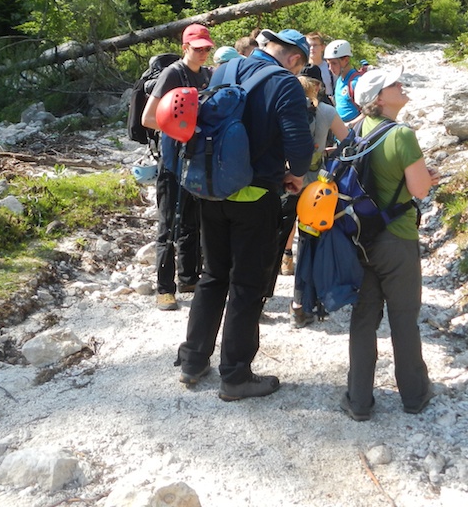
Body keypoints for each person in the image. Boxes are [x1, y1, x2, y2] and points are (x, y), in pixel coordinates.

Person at [176, 28, 314, 401]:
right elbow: (299, 144)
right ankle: (236, 376)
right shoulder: (285, 83)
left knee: (213, 275)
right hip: (254, 196)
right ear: (295, 59)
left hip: (212, 190)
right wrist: (297, 174)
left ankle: (192, 360)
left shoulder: (224, 69)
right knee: (247, 284)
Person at [340, 65, 440, 422]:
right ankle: (414, 395)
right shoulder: (401, 135)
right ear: (379, 99)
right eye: (393, 84)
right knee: (403, 316)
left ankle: (359, 400)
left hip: (359, 237)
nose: (401, 85)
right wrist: (428, 178)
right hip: (397, 238)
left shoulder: (357, 130)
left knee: (364, 318)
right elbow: (419, 190)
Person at [141, 23, 215, 311]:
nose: (203, 53)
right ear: (185, 47)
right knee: (169, 223)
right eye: (198, 49)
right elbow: (148, 118)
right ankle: (164, 288)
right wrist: (181, 129)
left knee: (193, 221)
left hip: (197, 160)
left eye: (206, 48)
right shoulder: (173, 74)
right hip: (172, 161)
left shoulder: (207, 75)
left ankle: (188, 278)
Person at [272, 72, 349, 328]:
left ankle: (257, 300)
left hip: (284, 182)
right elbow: (349, 142)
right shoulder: (326, 111)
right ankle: (301, 306)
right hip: (316, 189)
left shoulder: (282, 106)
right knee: (308, 246)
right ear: (316, 87)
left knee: (274, 241)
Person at [324, 39, 366, 124]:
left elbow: (368, 111)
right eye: (328, 64)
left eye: (334, 63)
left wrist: (350, 125)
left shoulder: (356, 82)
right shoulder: (340, 80)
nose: (330, 68)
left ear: (346, 60)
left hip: (353, 129)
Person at [305, 32, 335, 106]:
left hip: (327, 107)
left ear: (323, 47)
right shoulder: (301, 68)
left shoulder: (330, 68)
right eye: (309, 45)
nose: (312, 48)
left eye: (315, 45)